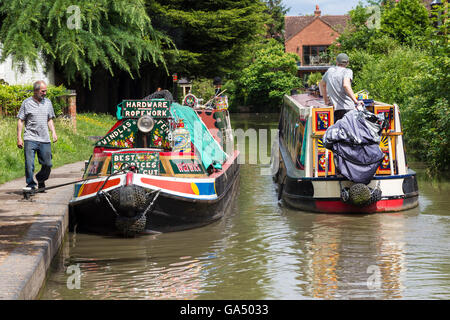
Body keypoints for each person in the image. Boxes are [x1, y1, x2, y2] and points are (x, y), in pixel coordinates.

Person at [17, 80, 58, 191]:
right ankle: (30, 185)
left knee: (48, 164)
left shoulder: (48, 102)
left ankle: (40, 178)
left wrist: (53, 132)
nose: (45, 93)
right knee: (29, 164)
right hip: (30, 138)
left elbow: (49, 119)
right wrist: (19, 138)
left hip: (44, 138)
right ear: (35, 91)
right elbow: (21, 120)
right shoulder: (26, 103)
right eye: (43, 91)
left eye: (45, 91)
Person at [319, 53, 365, 122]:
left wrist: (326, 100)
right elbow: (346, 85)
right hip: (349, 110)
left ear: (337, 62)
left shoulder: (329, 71)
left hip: (336, 110)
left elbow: (322, 84)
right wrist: (356, 101)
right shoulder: (347, 71)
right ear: (347, 63)